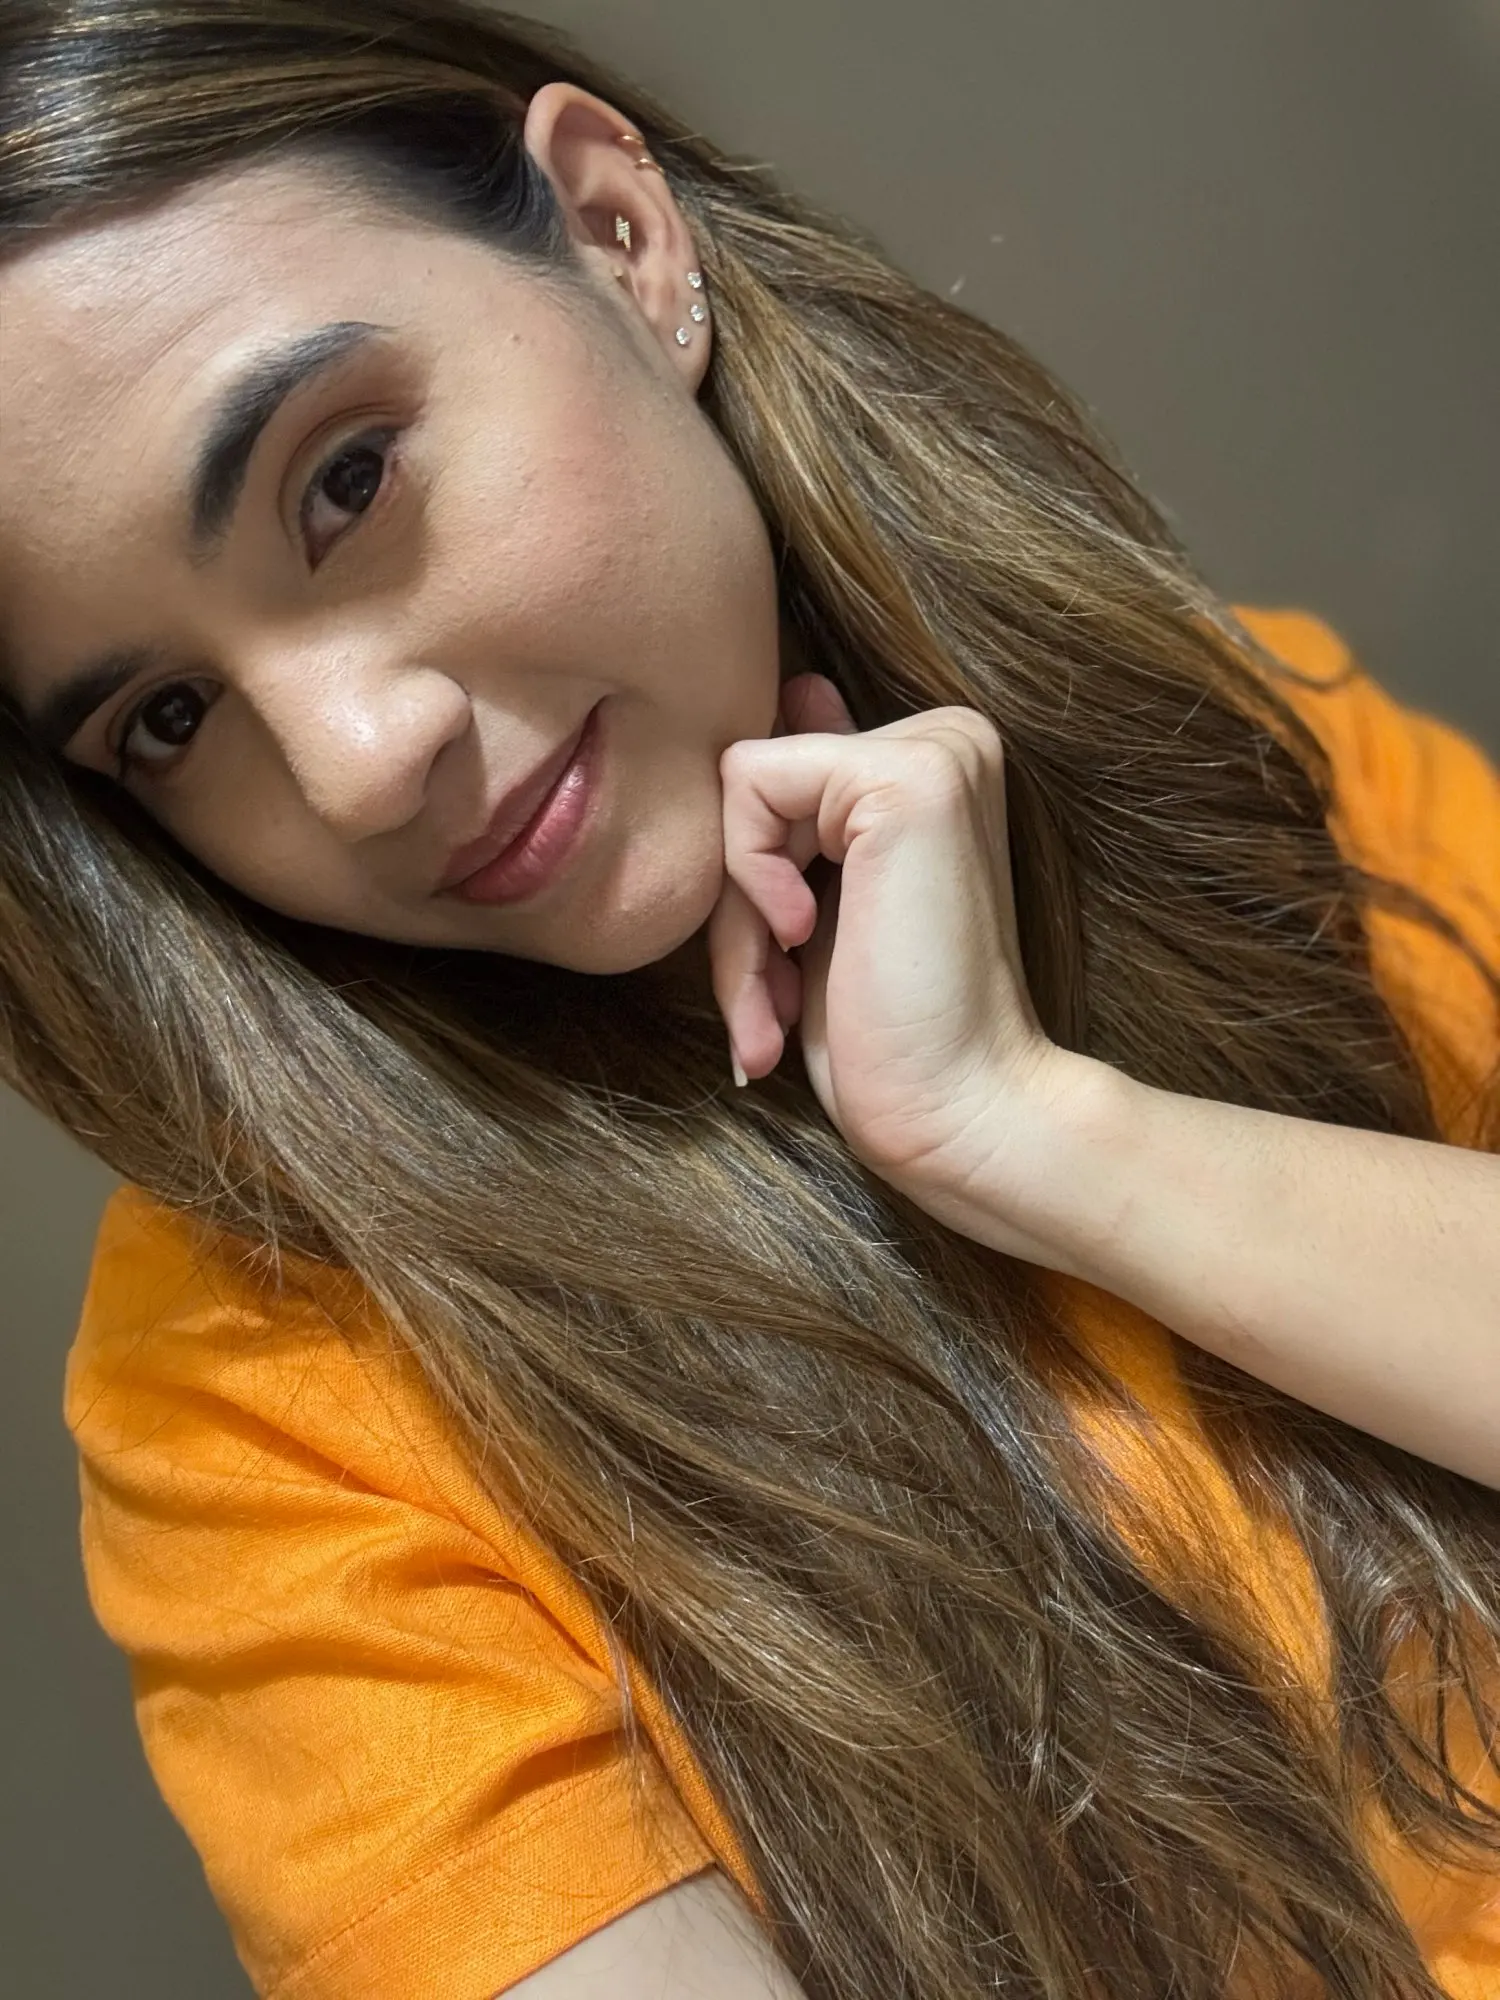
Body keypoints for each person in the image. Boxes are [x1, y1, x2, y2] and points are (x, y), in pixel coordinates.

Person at [1, 2, 1496, 1995]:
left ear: (620, 238)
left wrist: (1052, 1132)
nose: (353, 765)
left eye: (345, 481)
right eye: (171, 718)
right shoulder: (263, 1382)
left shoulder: (1218, 748)